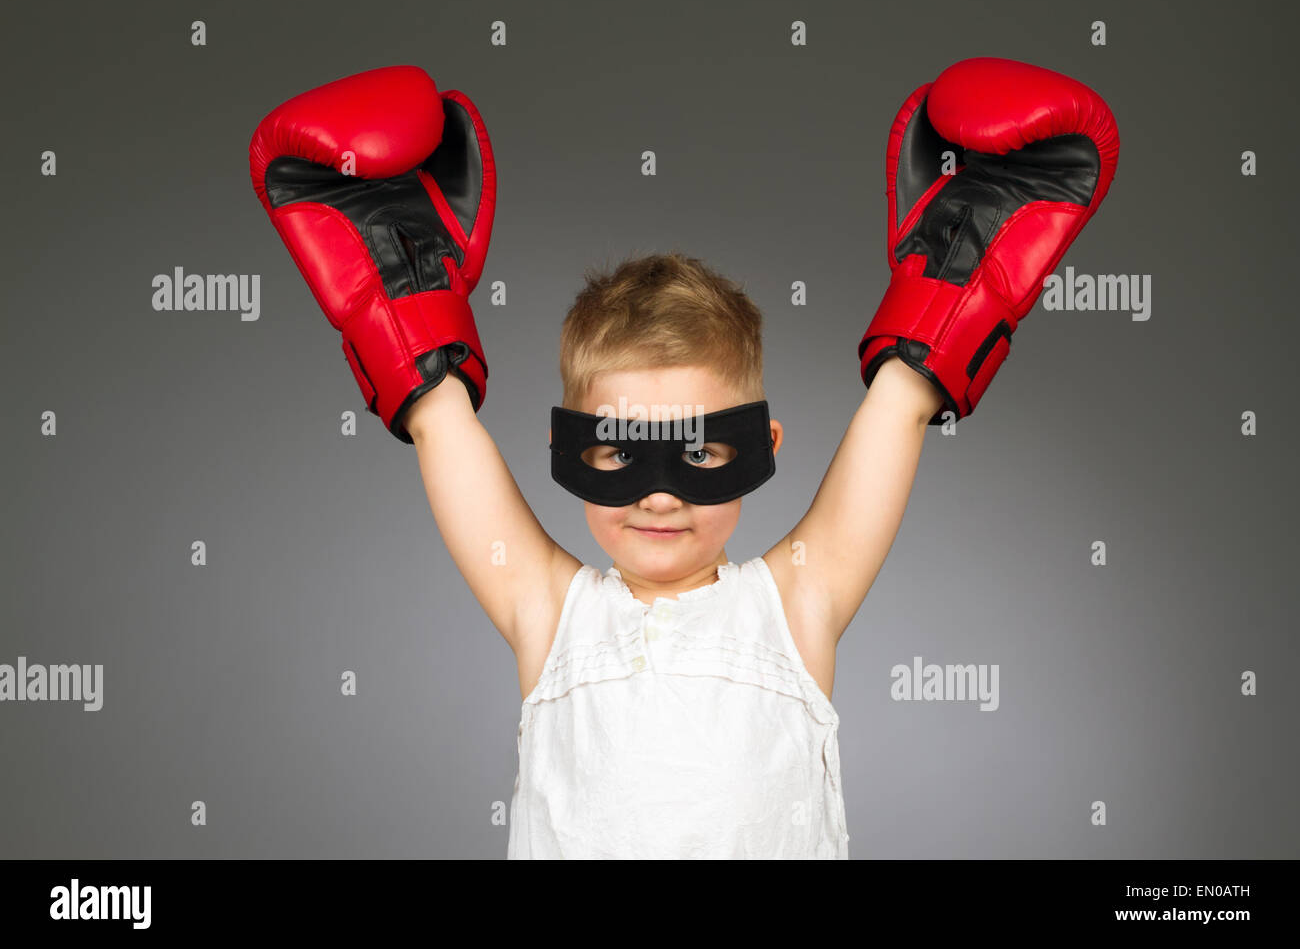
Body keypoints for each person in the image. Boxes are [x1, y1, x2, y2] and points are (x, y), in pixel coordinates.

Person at [248, 58, 1118, 858]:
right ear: (567, 450)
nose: (658, 498)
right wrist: (399, 302)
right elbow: (441, 424)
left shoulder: (794, 606)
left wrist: (956, 284)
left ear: (762, 450)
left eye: (699, 449)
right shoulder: (551, 615)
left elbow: (900, 403)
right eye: (618, 451)